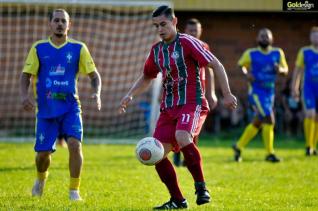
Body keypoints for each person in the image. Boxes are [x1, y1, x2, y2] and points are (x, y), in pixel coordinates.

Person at [119, 5, 237, 209]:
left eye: (163, 24)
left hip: (192, 103)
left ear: (174, 22)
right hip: (168, 108)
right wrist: (130, 94)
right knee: (155, 153)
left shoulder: (188, 43)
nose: (160, 29)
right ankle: (178, 200)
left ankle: (201, 187)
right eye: (156, 26)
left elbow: (216, 65)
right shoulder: (157, 50)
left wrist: (226, 94)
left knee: (183, 137)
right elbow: (147, 76)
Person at [20, 9, 102, 200]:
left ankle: (74, 191)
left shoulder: (78, 48)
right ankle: (40, 180)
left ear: (69, 25)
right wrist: (24, 96)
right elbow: (26, 75)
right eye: (56, 20)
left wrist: (96, 93)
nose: (59, 24)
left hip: (71, 107)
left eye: (63, 21)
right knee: (42, 155)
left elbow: (94, 75)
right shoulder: (39, 48)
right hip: (46, 110)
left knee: (75, 145)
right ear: (50, 24)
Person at [232, 28, 288, 163]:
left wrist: (279, 69)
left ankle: (238, 147)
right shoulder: (251, 53)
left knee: (258, 122)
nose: (264, 38)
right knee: (270, 118)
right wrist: (247, 74)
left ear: (271, 39)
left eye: (267, 36)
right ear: (257, 39)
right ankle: (270, 153)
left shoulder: (277, 53)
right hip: (256, 92)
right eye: (262, 36)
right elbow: (241, 65)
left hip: (270, 92)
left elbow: (285, 70)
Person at [173, 18, 217, 167]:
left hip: (198, 93)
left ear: (200, 31)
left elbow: (210, 69)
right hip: (179, 92)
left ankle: (189, 158)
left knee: (194, 127)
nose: (193, 33)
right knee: (178, 125)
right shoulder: (178, 47)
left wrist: (211, 93)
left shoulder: (204, 46)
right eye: (191, 30)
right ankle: (177, 154)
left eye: (196, 30)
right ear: (185, 31)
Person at [291, 26, 318, 156]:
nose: (315, 37)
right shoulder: (305, 51)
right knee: (310, 114)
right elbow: (298, 71)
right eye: (313, 35)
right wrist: (294, 88)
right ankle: (308, 146)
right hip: (308, 89)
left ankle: (313, 146)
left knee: (317, 118)